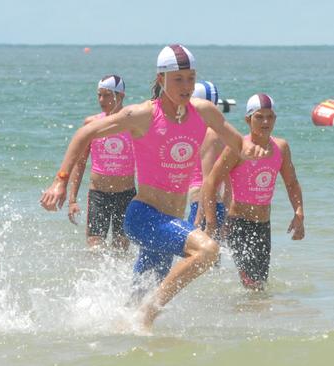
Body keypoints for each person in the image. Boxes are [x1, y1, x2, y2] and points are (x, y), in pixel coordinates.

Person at [40, 44, 268, 330]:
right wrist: (60, 182)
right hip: (144, 217)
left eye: (190, 78)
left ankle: (115, 333)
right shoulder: (144, 115)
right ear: (161, 79)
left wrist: (251, 151)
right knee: (207, 251)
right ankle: (150, 314)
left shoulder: (204, 111)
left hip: (170, 222)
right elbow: (85, 133)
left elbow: (239, 144)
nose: (186, 86)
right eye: (178, 79)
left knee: (131, 310)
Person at [202, 93, 305, 291]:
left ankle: (254, 316)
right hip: (239, 226)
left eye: (270, 117)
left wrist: (299, 213)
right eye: (259, 117)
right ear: (248, 119)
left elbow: (291, 183)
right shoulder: (238, 147)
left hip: (263, 225)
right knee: (252, 284)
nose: (265, 121)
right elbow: (211, 182)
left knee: (260, 285)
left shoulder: (281, 148)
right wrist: (211, 223)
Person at [67, 75, 136, 250]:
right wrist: (72, 199)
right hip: (98, 194)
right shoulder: (92, 123)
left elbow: (148, 161)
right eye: (99, 95)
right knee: (95, 248)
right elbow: (80, 162)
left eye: (106, 95)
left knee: (121, 248)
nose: (101, 100)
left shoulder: (133, 123)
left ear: (120, 96)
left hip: (126, 195)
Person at [187, 81, 228, 234]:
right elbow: (229, 181)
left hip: (203, 206)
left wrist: (198, 218)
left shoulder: (210, 134)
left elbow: (208, 179)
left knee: (196, 255)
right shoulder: (219, 132)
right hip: (209, 204)